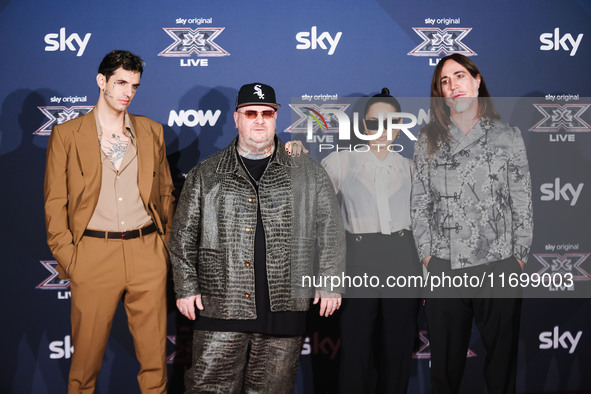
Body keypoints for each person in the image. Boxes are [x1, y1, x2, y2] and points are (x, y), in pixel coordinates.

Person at [169, 82, 346, 393]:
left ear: (276, 119)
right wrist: (185, 287)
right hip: (220, 302)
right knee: (209, 388)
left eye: (267, 113)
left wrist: (330, 281)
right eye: (251, 113)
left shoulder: (308, 172)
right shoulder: (206, 173)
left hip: (284, 304)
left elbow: (330, 230)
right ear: (237, 118)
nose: (260, 119)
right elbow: (183, 235)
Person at [44, 50, 174, 393]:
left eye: (134, 85)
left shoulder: (151, 131)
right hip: (92, 254)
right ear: (101, 81)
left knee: (155, 363)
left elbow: (165, 195)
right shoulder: (67, 134)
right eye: (120, 82)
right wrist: (71, 259)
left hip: (147, 252)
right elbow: (55, 202)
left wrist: (164, 248)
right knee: (84, 365)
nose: (126, 92)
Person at [411, 54, 533, 394]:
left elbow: (522, 201)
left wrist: (518, 257)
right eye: (444, 82)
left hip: (499, 264)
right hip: (445, 267)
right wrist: (427, 258)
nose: (453, 86)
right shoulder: (428, 139)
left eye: (459, 76)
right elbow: (419, 203)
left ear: (477, 81)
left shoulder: (508, 136)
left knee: (501, 367)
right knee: (445, 373)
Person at [292, 89, 421, 393]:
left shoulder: (412, 167)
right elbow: (309, 196)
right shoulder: (340, 162)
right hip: (358, 261)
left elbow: (427, 225)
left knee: (397, 352)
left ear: (399, 125)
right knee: (355, 352)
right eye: (374, 123)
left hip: (404, 261)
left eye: (390, 122)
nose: (381, 130)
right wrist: (296, 155)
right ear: (364, 126)